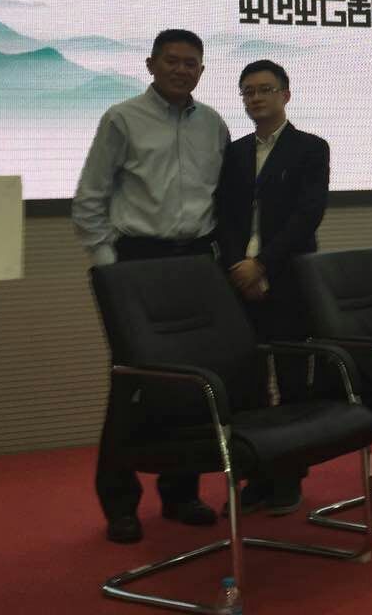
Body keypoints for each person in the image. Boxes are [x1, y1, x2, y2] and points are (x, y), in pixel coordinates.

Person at [72, 28, 230, 543]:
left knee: (193, 381)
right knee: (132, 382)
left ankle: (181, 495)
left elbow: (221, 199)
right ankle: (120, 503)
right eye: (172, 60)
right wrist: (108, 265)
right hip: (136, 263)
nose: (182, 70)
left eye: (191, 63)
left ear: (201, 70)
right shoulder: (123, 118)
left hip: (196, 263)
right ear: (151, 64)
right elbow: (90, 196)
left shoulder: (213, 124)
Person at [216, 59, 330, 515]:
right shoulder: (235, 153)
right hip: (237, 279)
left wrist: (261, 265)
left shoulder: (310, 148)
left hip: (288, 276)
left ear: (286, 94)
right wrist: (237, 266)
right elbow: (224, 217)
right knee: (246, 382)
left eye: (265, 89)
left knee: (292, 378)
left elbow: (307, 217)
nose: (256, 98)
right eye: (248, 91)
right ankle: (257, 475)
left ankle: (288, 477)